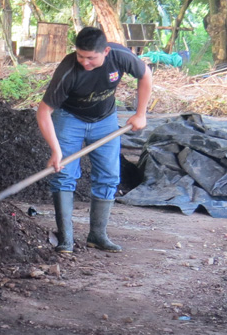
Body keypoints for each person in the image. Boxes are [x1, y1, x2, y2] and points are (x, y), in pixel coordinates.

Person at [36, 26, 152, 254]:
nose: (84, 62)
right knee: (63, 175)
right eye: (80, 56)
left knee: (109, 176)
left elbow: (145, 74)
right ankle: (66, 240)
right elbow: (43, 112)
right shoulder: (68, 70)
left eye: (90, 58)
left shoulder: (120, 56)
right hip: (70, 119)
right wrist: (55, 150)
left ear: (106, 51)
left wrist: (141, 113)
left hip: (105, 120)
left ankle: (97, 236)